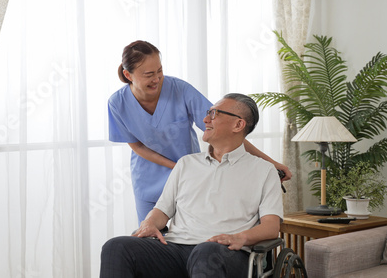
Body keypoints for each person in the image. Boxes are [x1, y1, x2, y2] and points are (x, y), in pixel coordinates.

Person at [101, 93, 283, 278]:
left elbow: (271, 227)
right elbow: (162, 211)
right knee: (117, 247)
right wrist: (149, 223)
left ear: (238, 124)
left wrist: (241, 238)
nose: (205, 120)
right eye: (207, 113)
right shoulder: (185, 164)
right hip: (175, 249)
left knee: (205, 252)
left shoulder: (264, 171)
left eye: (214, 114)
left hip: (225, 253)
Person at [108, 40, 290, 224]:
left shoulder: (180, 90)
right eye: (149, 74)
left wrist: (271, 163)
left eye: (159, 71)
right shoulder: (117, 103)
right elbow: (137, 146)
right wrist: (177, 167)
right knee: (150, 236)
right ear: (128, 75)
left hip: (189, 178)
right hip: (148, 178)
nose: (157, 79)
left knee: (188, 233)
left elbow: (227, 131)